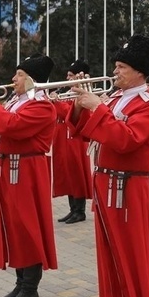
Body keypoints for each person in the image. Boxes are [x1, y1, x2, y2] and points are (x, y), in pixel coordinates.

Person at [68, 34, 149, 297]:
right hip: (105, 184)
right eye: (116, 65)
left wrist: (97, 107)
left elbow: (127, 140)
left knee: (133, 260)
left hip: (129, 188)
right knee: (110, 260)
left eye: (122, 66)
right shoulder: (113, 97)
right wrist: (79, 105)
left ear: (139, 71)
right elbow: (81, 133)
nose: (115, 71)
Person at [0, 54, 58, 297]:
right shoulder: (16, 100)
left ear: (32, 78)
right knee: (12, 226)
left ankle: (30, 288)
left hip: (26, 169)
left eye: (19, 74)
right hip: (9, 167)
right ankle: (21, 283)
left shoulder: (41, 105)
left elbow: (13, 126)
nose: (13, 79)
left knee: (27, 227)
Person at [51, 59, 93, 224]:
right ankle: (72, 209)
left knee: (76, 173)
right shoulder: (67, 93)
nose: (67, 79)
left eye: (71, 75)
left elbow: (70, 113)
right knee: (67, 173)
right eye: (67, 75)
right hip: (62, 136)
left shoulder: (82, 94)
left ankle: (79, 210)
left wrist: (56, 102)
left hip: (75, 138)